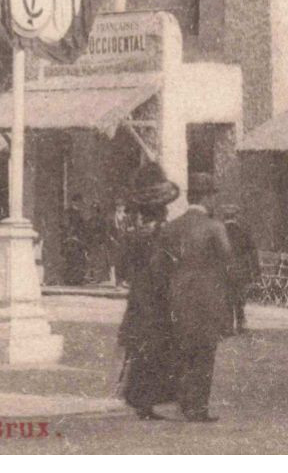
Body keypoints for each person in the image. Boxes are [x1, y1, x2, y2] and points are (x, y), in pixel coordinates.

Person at [162, 172, 235, 422]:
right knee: (205, 354)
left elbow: (161, 266)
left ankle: (183, 402)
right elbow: (228, 263)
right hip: (206, 299)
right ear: (206, 197)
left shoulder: (172, 227)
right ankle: (198, 407)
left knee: (183, 351)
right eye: (213, 195)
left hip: (177, 298)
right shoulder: (214, 227)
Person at [116, 164, 180, 420]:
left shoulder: (132, 236)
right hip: (157, 297)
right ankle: (146, 399)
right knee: (156, 347)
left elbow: (122, 268)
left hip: (139, 297)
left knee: (142, 348)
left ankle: (139, 398)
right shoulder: (162, 235)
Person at [220, 204, 259, 334]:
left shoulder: (220, 231)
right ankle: (241, 323)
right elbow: (252, 251)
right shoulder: (243, 231)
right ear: (236, 216)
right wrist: (256, 271)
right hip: (241, 269)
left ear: (224, 216)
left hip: (224, 269)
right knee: (239, 296)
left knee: (227, 296)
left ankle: (228, 326)